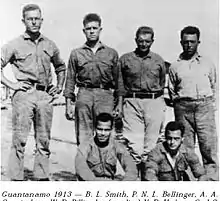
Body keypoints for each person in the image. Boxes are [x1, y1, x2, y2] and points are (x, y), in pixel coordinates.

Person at [1, 4, 66, 181]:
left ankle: (41, 177)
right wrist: (10, 84)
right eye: (30, 19)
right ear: (23, 21)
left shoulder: (50, 44)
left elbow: (61, 67)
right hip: (24, 95)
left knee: (43, 140)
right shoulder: (14, 44)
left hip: (45, 97)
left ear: (42, 20)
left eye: (37, 18)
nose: (34, 22)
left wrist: (59, 86)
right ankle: (16, 178)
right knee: (19, 140)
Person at [168, 26, 218, 181]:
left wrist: (209, 104)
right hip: (183, 107)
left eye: (192, 42)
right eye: (185, 42)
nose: (189, 45)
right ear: (180, 42)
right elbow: (171, 89)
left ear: (198, 42)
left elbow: (214, 84)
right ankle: (188, 178)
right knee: (186, 146)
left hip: (204, 106)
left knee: (208, 145)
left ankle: (211, 179)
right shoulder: (175, 66)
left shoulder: (207, 63)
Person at [115, 26, 166, 179]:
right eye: (141, 41)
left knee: (151, 145)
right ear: (136, 40)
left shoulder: (158, 60)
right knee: (134, 145)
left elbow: (162, 81)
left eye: (147, 41)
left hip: (154, 101)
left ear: (152, 41)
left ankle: (147, 177)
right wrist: (119, 104)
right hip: (132, 102)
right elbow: (120, 84)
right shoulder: (125, 59)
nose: (144, 44)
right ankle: (134, 175)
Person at [64, 13, 118, 146]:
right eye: (89, 29)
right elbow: (70, 79)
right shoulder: (76, 53)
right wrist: (68, 104)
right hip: (84, 94)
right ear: (84, 31)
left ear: (100, 29)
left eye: (95, 28)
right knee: (83, 136)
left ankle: (104, 166)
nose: (92, 31)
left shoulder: (111, 53)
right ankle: (84, 166)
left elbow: (119, 82)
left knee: (105, 134)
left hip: (105, 95)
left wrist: (119, 105)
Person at [75, 113, 138, 181]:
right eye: (100, 129)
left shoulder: (116, 145)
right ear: (95, 129)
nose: (103, 133)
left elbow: (131, 168)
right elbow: (81, 167)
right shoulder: (86, 145)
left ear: (111, 130)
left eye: (106, 130)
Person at [143, 121, 208, 181]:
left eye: (176, 139)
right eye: (169, 138)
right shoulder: (157, 151)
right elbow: (150, 172)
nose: (172, 142)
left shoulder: (187, 152)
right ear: (165, 137)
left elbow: (201, 174)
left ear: (182, 139)